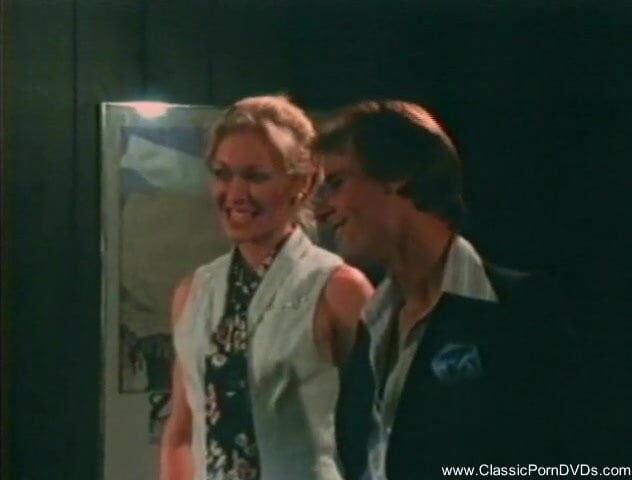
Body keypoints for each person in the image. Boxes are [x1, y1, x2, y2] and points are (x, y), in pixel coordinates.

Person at [313, 100, 582, 480]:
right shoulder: (372, 325)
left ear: (397, 175)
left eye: (337, 183)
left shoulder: (521, 310)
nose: (321, 209)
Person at [160, 95, 374, 480]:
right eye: (223, 174)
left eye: (256, 177)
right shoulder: (193, 292)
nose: (235, 193)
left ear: (303, 183)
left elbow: (383, 431)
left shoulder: (338, 289)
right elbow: (180, 434)